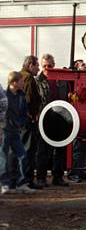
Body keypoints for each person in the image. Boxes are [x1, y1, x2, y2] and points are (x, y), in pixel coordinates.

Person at [1, 72, 37, 194]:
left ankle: (21, 184)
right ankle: (5, 185)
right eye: (21, 81)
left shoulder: (21, 95)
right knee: (3, 158)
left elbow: (24, 112)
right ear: (14, 83)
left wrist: (21, 123)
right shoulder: (4, 96)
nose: (23, 83)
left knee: (22, 156)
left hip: (16, 131)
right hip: (5, 131)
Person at [37, 54, 69, 186]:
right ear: (40, 66)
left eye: (49, 65)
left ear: (53, 65)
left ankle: (58, 177)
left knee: (60, 149)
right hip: (45, 119)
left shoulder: (60, 80)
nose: (47, 68)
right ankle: (41, 178)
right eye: (44, 66)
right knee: (43, 150)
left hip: (60, 118)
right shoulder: (37, 81)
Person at [20, 55, 45, 189]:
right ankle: (27, 180)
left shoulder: (19, 76)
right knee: (28, 150)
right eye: (37, 66)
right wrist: (33, 115)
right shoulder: (29, 78)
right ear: (30, 65)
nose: (38, 68)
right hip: (29, 120)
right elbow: (29, 100)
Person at [68, 58, 86, 182]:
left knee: (82, 146)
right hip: (76, 117)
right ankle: (74, 172)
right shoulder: (74, 83)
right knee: (77, 146)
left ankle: (81, 170)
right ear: (76, 68)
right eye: (83, 65)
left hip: (83, 116)